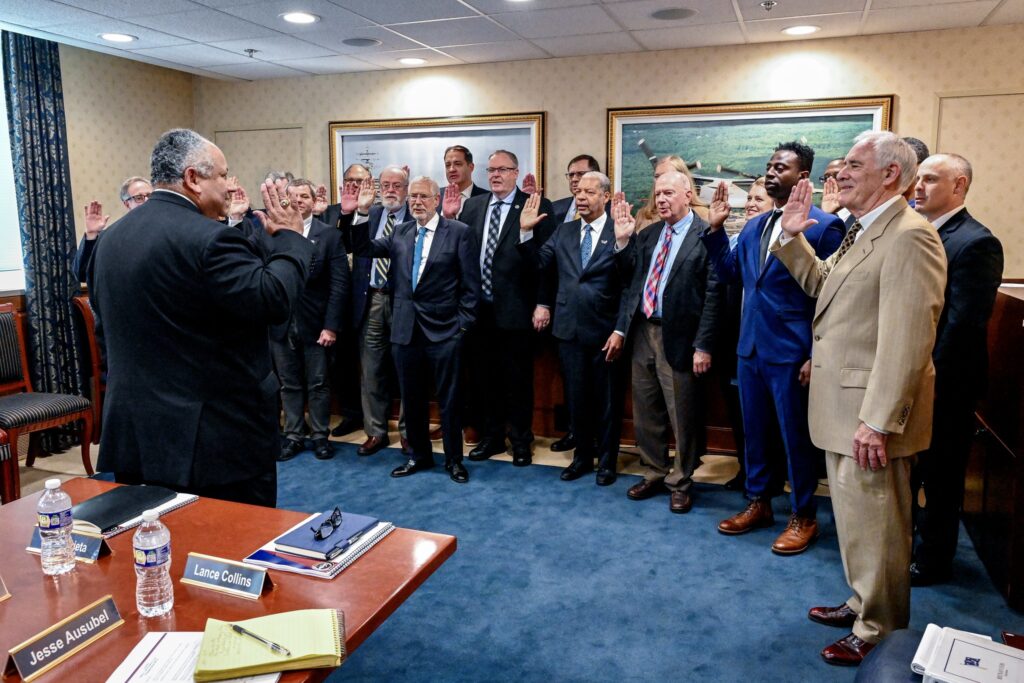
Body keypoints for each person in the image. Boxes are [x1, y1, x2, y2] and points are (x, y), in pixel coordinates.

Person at [772, 131, 946, 666]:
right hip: (843, 409)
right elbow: (825, 288)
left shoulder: (909, 236)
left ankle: (879, 628)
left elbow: (909, 339)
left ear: (890, 173)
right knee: (856, 521)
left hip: (869, 417)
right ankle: (861, 600)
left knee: (880, 525)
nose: (837, 173)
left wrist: (878, 420)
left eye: (851, 164)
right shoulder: (864, 230)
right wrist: (792, 235)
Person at [88, 128, 313, 507]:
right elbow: (271, 300)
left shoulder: (109, 239)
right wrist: (291, 239)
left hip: (138, 434)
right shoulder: (211, 239)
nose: (229, 186)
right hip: (214, 440)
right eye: (222, 175)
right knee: (227, 554)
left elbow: (103, 326)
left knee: (153, 549)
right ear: (193, 178)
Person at [702, 142, 844, 553]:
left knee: (794, 437)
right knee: (756, 433)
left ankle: (803, 515)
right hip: (750, 348)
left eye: (780, 167)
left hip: (792, 352)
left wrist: (817, 355)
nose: (769, 173)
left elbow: (830, 298)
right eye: (768, 166)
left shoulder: (824, 226)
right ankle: (759, 502)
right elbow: (732, 274)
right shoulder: (754, 225)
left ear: (803, 178)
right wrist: (714, 230)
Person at [910, 154, 1004, 586]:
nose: (919, 186)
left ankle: (932, 562)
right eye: (918, 178)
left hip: (945, 384)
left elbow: (963, 325)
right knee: (908, 472)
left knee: (941, 478)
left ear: (959, 185)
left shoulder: (975, 241)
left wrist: (923, 380)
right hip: (910, 376)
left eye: (931, 179)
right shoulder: (915, 231)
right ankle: (904, 546)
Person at [351, 175, 480, 483]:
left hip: (445, 332)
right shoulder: (400, 232)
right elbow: (364, 248)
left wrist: (461, 327)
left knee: (449, 400)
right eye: (414, 197)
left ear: (437, 201)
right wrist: (361, 213)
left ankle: (453, 460)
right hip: (405, 331)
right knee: (412, 398)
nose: (417, 202)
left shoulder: (459, 233)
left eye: (423, 196)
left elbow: (471, 287)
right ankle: (419, 456)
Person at [518, 172, 635, 485]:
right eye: (578, 191)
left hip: (606, 332)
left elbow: (629, 284)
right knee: (577, 399)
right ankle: (582, 458)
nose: (581, 197)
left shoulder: (620, 230)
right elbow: (539, 265)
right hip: (569, 330)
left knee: (608, 403)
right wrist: (527, 234)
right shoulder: (564, 230)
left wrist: (620, 330)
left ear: (606, 197)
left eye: (590, 191)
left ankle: (607, 462)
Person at [620, 170, 722, 511]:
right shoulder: (648, 235)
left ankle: (681, 479)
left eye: (668, 193)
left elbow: (713, 293)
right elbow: (629, 281)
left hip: (681, 337)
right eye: (657, 194)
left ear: (687, 194)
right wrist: (622, 242)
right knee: (646, 409)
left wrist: (703, 344)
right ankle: (653, 470)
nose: (661, 200)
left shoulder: (705, 234)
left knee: (683, 413)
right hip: (643, 332)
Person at [459, 150, 556, 467]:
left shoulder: (535, 205)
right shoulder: (473, 206)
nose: (496, 175)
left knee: (517, 381)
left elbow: (546, 263)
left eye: (503, 169)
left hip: (517, 310)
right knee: (484, 379)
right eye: (491, 170)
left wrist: (543, 302)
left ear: (516, 172)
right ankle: (491, 437)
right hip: (479, 310)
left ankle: (521, 442)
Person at [272, 178, 351, 463]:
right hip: (281, 323)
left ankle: (319, 436)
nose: (298, 201)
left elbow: (339, 285)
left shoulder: (329, 235)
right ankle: (292, 435)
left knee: (318, 384)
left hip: (317, 324)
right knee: (288, 384)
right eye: (292, 197)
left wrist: (331, 326)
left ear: (312, 200)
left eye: (303, 196)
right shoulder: (275, 233)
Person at [349, 165, 411, 455]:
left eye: (397, 185)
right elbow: (356, 247)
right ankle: (376, 432)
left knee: (407, 370)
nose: (390, 190)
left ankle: (410, 433)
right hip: (371, 299)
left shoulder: (416, 216)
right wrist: (359, 212)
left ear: (407, 190)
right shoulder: (370, 214)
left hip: (403, 303)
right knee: (372, 371)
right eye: (385, 185)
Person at [549, 153, 605, 453]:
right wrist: (525, 232)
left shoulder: (614, 222)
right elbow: (544, 263)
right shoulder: (558, 213)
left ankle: (598, 443)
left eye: (581, 176)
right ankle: (577, 438)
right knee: (572, 385)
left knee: (600, 390)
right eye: (571, 176)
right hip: (566, 314)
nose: (575, 182)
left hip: (599, 320)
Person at [73, 176, 152, 282]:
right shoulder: (113, 237)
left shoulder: (167, 231)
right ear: (127, 204)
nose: (147, 201)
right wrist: (91, 234)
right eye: (139, 198)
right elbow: (82, 274)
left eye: (151, 196)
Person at [634, 155, 709, 230]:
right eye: (657, 176)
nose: (661, 180)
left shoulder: (704, 216)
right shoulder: (643, 216)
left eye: (667, 175)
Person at [440, 145, 488, 220]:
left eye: (458, 164)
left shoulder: (487, 198)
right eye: (448, 165)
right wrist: (448, 217)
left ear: (471, 167)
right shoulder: (435, 196)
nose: (451, 169)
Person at [550, 154, 601, 225]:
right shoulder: (554, 207)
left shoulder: (612, 210)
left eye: (580, 174)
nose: (574, 179)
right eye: (571, 175)